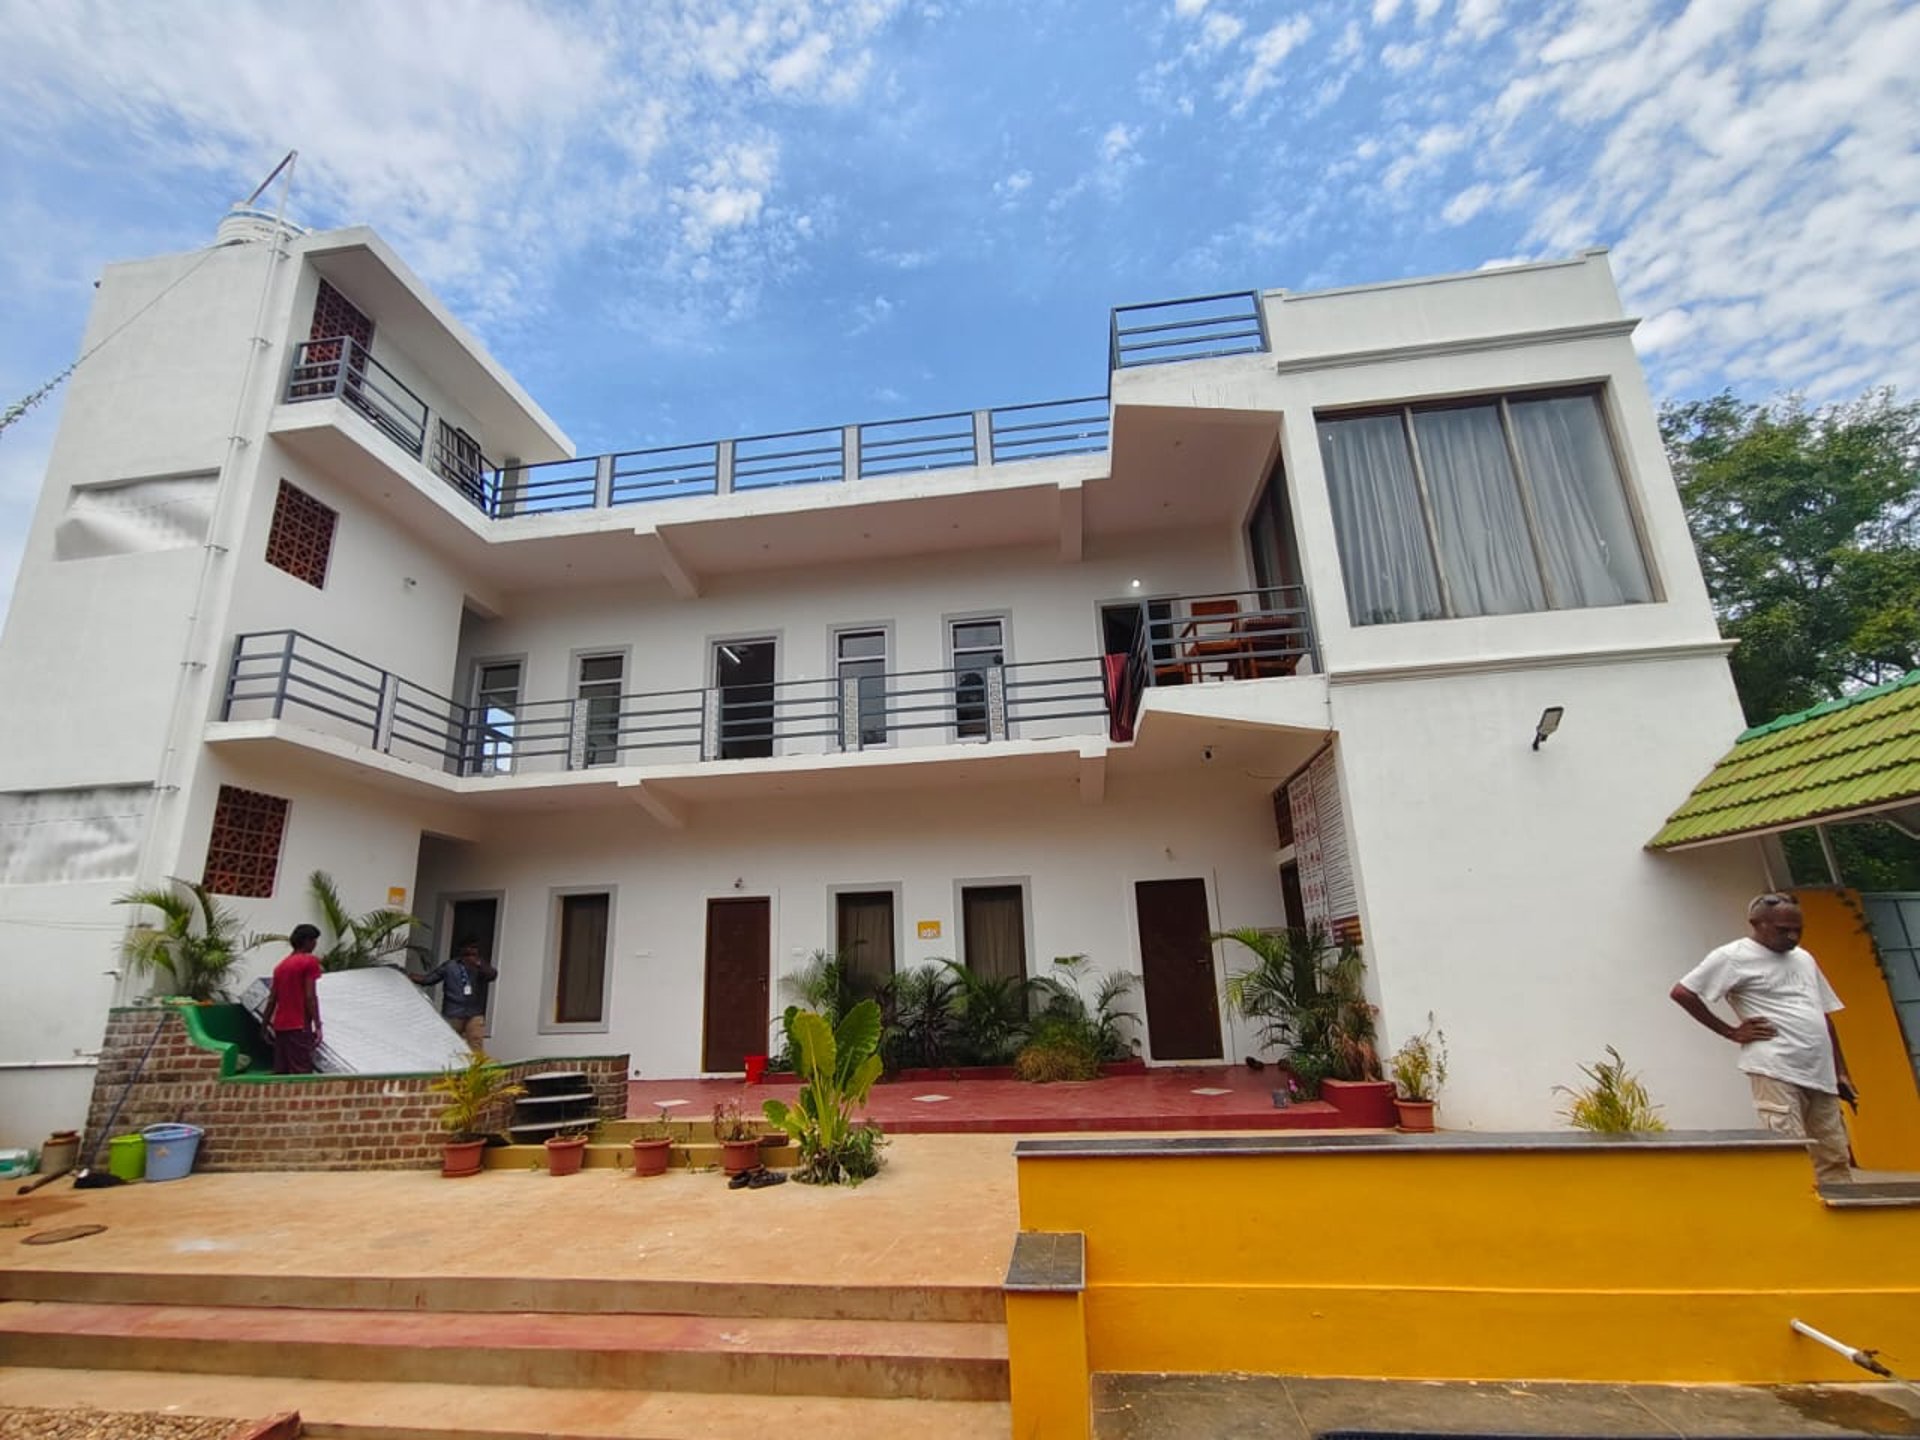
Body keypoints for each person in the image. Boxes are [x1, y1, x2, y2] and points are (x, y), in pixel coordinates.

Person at [1670, 892, 1857, 1185]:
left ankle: (1841, 1217)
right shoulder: (1733, 957)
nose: (1793, 936)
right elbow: (1683, 992)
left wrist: (1841, 1071)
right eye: (1783, 930)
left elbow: (1824, 1016)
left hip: (1820, 1072)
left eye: (1798, 929)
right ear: (1756, 923)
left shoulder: (1804, 958)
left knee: (1834, 1152)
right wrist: (1731, 1031)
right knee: (1791, 1150)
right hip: (1775, 1068)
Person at [412, 939, 497, 1050]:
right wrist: (411, 977)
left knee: (476, 1045)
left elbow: (493, 975)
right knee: (449, 1046)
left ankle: (475, 1067)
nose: (472, 951)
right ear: (462, 950)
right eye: (469, 948)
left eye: (474, 948)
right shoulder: (450, 966)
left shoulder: (481, 967)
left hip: (474, 1013)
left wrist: (479, 964)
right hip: (453, 1013)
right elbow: (429, 979)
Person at [269, 924, 324, 1074]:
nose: (315, 944)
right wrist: (318, 1025)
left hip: (280, 1027)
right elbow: (310, 997)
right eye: (314, 940)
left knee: (282, 1071)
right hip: (299, 1026)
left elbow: (272, 999)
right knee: (302, 1072)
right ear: (306, 941)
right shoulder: (309, 962)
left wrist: (264, 1026)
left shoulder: (281, 966)